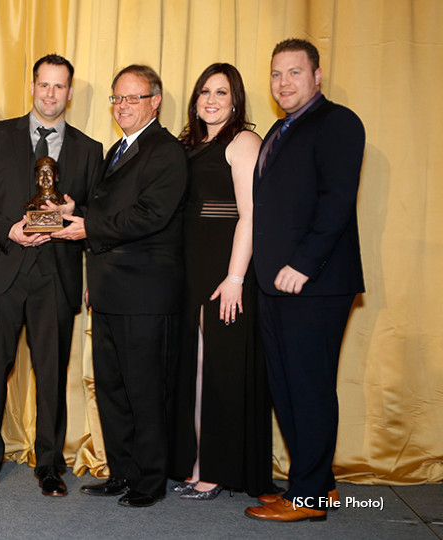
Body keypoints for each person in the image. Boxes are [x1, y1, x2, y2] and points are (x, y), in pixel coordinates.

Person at [0, 54, 103, 497]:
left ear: (70, 93)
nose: (51, 94)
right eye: (44, 85)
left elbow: (97, 215)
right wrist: (10, 229)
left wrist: (76, 213)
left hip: (54, 276)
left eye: (60, 86)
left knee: (51, 374)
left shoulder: (88, 148)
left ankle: (50, 465)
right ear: (33, 86)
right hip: (0, 268)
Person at [244, 38, 365, 523]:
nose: (284, 82)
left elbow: (337, 201)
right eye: (276, 74)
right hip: (275, 283)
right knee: (287, 387)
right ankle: (315, 485)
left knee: (309, 388)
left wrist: (305, 264)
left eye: (294, 72)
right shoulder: (280, 128)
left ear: (317, 76)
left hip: (314, 283)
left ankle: (310, 497)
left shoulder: (338, 123)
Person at [61, 65, 187, 507]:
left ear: (155, 101)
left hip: (147, 293)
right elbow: (113, 209)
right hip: (111, 289)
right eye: (117, 98)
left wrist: (86, 227)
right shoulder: (118, 149)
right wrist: (76, 212)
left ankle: (149, 480)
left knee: (145, 390)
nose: (123, 107)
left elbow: (150, 216)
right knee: (113, 388)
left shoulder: (166, 151)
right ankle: (122, 471)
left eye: (133, 98)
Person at [168, 64, 274, 499]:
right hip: (189, 269)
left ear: (235, 100)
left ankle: (217, 468)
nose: (211, 100)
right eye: (204, 92)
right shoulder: (189, 145)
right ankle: (194, 463)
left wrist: (235, 277)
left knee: (221, 373)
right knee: (193, 369)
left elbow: (250, 214)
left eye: (221, 92)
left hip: (225, 271)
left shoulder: (244, 141)